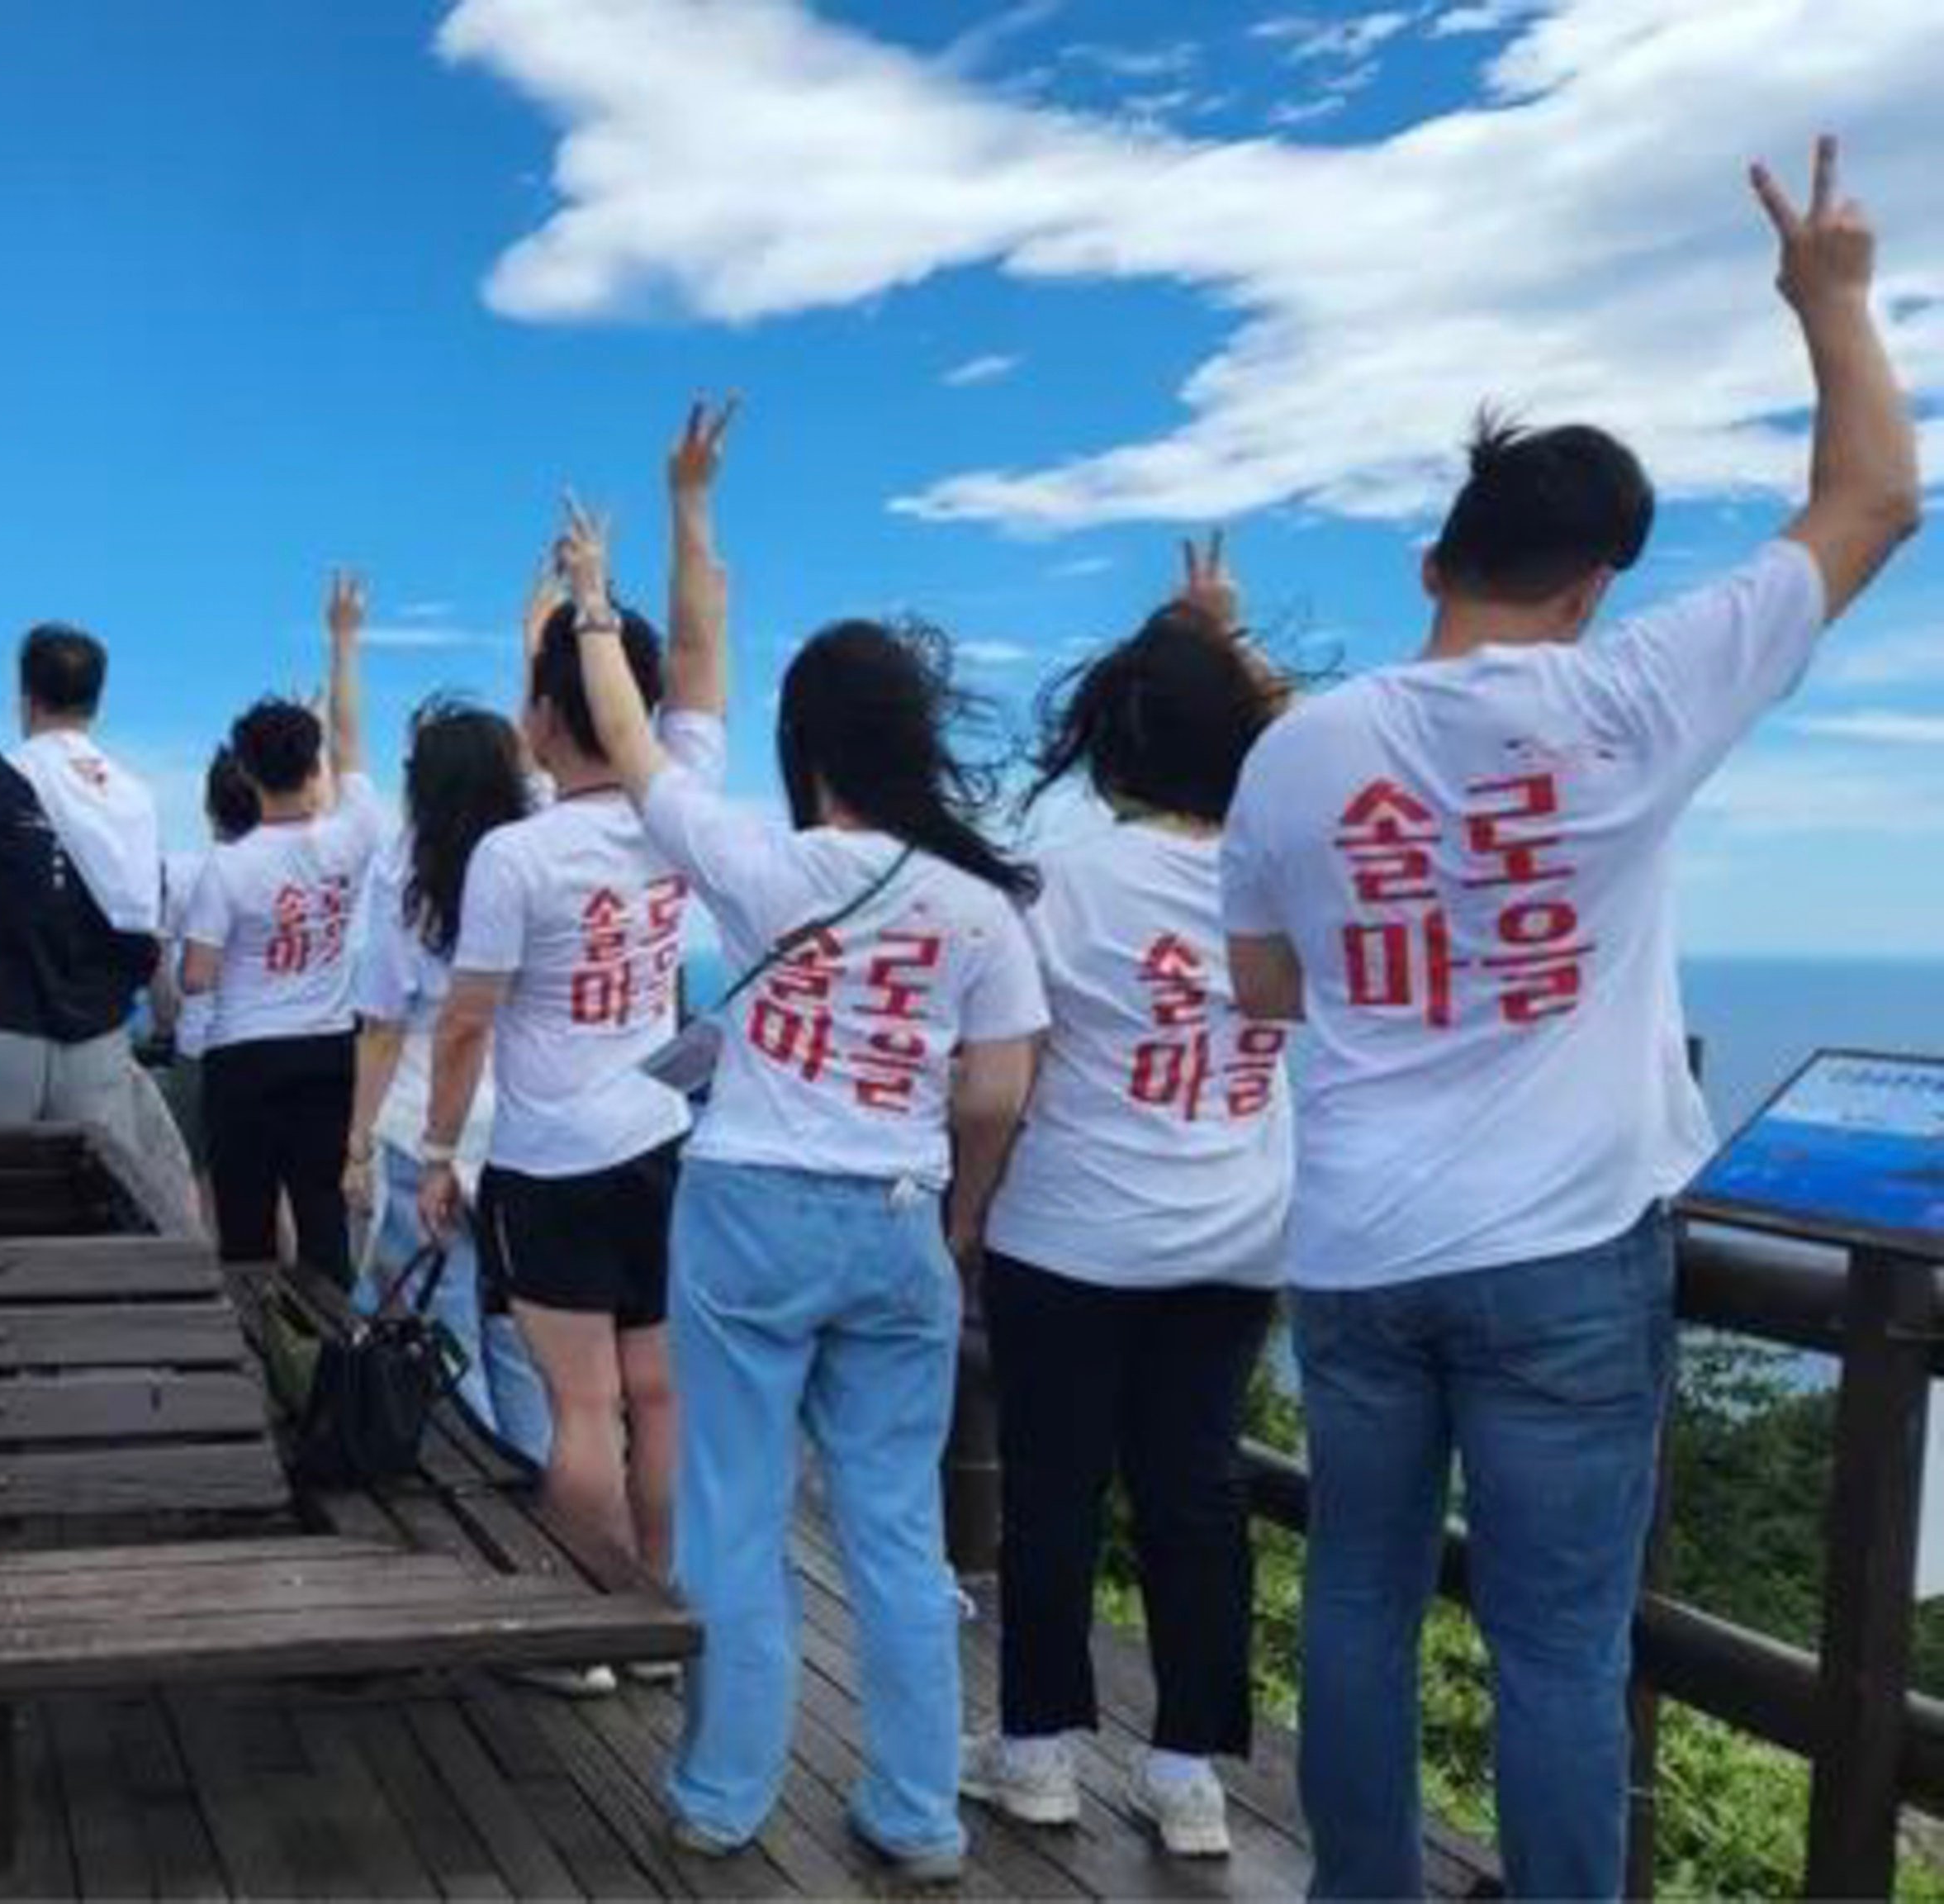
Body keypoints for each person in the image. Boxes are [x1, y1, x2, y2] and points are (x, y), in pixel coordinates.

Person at [1221, 139, 1918, 1902]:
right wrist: (1829, 301)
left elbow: (1261, 991)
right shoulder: (1629, 694)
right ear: (1596, 576)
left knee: (1361, 1612)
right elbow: (1869, 506)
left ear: (1431, 561)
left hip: (1359, 1251)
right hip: (1560, 1258)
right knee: (1553, 1643)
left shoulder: (1296, 751)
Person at [558, 440, 1049, 1878]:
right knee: (898, 1535)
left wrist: (598, 600)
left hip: (750, 1211)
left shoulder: (763, 869)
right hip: (898, 1220)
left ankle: (721, 1798)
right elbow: (997, 1090)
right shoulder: (977, 907)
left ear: (807, 747)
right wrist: (956, 1222)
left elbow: (635, 743)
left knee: (734, 1515)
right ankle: (916, 1813)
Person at [961, 539, 1293, 1859]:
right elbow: (1324, 753)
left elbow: (1003, 1078)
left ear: (1107, 751)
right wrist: (1235, 644)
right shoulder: (1289, 880)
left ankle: (1036, 1751)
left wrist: (967, 1216)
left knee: (1054, 1491)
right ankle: (1190, 1774)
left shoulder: (1057, 888)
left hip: (1068, 1239)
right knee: (1197, 1497)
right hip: (1232, 1242)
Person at [416, 411, 733, 1599]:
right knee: (659, 1394)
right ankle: (665, 1599)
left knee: (583, 1406)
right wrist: (689, 507)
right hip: (663, 1140)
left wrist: (442, 1150)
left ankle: (592, 1625)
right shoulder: (682, 799)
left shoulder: (519, 855)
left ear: (544, 718)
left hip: (550, 1159)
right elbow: (698, 655)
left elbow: (463, 1024)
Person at [345, 696, 551, 1463]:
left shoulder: (403, 869)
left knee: (438, 1315)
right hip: (530, 1122)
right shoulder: (542, 847)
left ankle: (464, 1483)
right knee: (522, 1323)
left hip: (425, 1118)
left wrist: (357, 1144)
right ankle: (540, 1478)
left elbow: (383, 1027)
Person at [0, 624, 194, 1201]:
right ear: (96, 701)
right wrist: (166, 1012)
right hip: (98, 1035)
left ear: (25, 697)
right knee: (97, 1199)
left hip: (2, 1024)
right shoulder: (135, 797)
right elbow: (149, 923)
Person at [179, 576, 381, 1285]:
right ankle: (331, 1365)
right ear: (313, 765)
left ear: (247, 771)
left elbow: (198, 975)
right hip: (328, 1050)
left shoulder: (227, 869)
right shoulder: (355, 834)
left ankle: (260, 1368)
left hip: (244, 1059)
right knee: (323, 1214)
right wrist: (344, 640)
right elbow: (353, 744)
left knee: (246, 1227)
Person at [154, 748, 260, 1233]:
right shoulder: (282, 869)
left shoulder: (179, 873)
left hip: (200, 1046)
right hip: (267, 1045)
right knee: (268, 1184)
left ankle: (201, 1285)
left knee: (190, 1176)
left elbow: (163, 969)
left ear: (208, 806)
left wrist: (165, 1021)